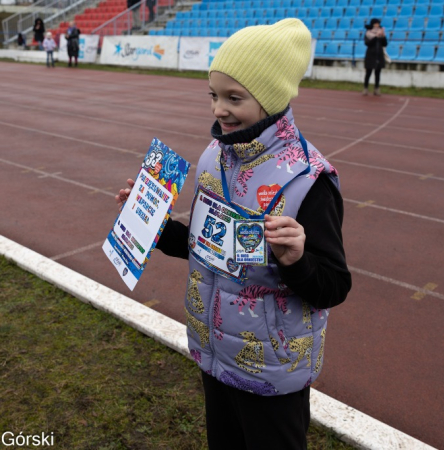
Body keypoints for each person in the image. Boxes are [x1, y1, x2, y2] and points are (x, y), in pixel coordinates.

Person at [115, 19, 351, 450]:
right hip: (214, 354)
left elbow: (333, 286)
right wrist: (150, 224)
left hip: (273, 372)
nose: (217, 110)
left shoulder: (309, 180)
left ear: (272, 98)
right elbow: (207, 249)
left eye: (233, 98)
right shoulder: (214, 157)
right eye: (213, 95)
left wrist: (296, 259)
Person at [363, 18, 387, 96]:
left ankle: (376, 89)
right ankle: (365, 88)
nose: (377, 25)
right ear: (372, 24)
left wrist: (383, 37)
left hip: (379, 55)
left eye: (378, 23)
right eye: (376, 23)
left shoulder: (381, 32)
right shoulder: (368, 33)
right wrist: (376, 37)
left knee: (378, 73)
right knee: (368, 73)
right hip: (370, 55)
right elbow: (367, 43)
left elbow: (385, 44)